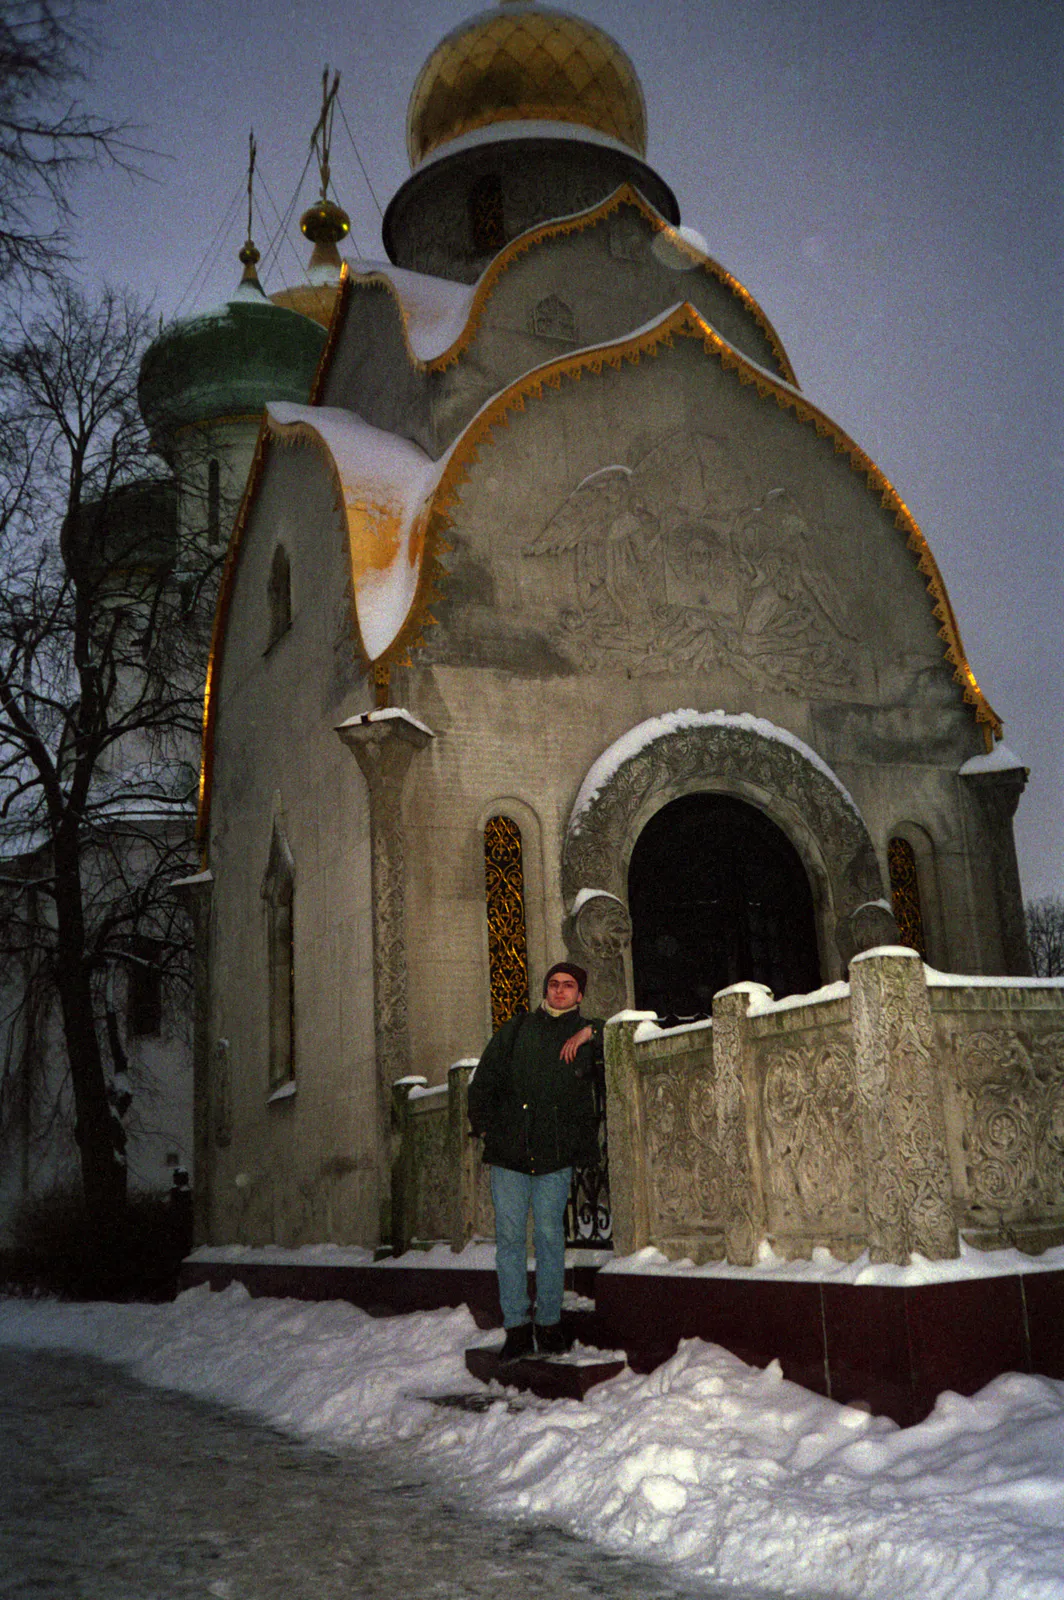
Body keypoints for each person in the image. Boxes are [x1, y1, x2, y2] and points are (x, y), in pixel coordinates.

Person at [468, 962, 604, 1361]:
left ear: (579, 995)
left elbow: (625, 1033)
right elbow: (483, 1083)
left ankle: (548, 1324)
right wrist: (488, 1130)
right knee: (510, 1242)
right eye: (553, 985)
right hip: (509, 1155)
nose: (559, 991)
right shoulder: (518, 1029)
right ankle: (515, 1327)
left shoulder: (586, 1037)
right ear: (545, 991)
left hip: (553, 1156)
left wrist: (591, 1029)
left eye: (568, 986)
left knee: (549, 1239)